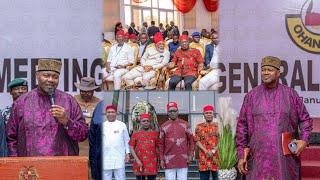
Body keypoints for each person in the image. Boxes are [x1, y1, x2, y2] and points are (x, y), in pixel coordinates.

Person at [236, 56, 313, 179]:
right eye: (263, 69)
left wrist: (304, 140)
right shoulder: (251, 96)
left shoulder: (290, 95)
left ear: (278, 73)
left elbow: (305, 120)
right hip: (258, 158)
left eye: (270, 69)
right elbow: (242, 126)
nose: (265, 72)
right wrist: (241, 154)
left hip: (284, 159)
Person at [6, 59, 88, 157]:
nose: (50, 80)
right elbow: (11, 138)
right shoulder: (21, 103)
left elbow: (83, 134)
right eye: (46, 75)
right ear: (37, 76)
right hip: (31, 169)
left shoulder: (69, 101)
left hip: (63, 167)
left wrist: (67, 122)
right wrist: (17, 165)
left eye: (55, 77)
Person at [159, 102, 194, 180]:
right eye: (170, 111)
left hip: (183, 159)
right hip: (168, 160)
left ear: (178, 111)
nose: (172, 113)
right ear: (167, 113)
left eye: (174, 110)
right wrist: (161, 159)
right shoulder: (163, 126)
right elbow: (161, 144)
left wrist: (191, 155)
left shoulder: (186, 124)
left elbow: (191, 140)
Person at [101, 105, 130, 180]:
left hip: (119, 157)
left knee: (120, 177)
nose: (110, 114)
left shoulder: (122, 125)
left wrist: (127, 153)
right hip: (105, 157)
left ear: (116, 113)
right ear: (106, 113)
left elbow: (126, 140)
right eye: (108, 112)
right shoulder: (102, 126)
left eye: (112, 112)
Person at [129, 113, 159, 180]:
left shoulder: (155, 133)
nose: (146, 122)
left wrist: (159, 160)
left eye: (147, 121)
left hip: (152, 163)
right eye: (144, 121)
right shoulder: (135, 134)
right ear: (140, 122)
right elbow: (131, 147)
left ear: (150, 122)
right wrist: (137, 160)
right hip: (139, 163)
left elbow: (157, 147)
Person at [194, 105, 219, 180]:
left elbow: (222, 141)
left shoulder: (218, 126)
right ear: (203, 114)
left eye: (210, 113)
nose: (208, 114)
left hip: (217, 158)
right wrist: (206, 151)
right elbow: (197, 140)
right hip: (203, 159)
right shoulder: (199, 127)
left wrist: (213, 151)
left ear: (213, 114)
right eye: (206, 113)